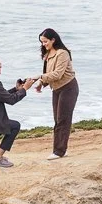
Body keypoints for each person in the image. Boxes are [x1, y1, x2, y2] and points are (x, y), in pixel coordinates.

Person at [30, 28, 78, 159]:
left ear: (53, 40)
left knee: (63, 119)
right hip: (56, 89)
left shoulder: (62, 53)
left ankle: (59, 151)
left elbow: (58, 74)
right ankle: (61, 149)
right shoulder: (47, 54)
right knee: (57, 119)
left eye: (45, 41)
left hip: (68, 87)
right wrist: (42, 84)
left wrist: (39, 77)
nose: (43, 44)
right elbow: (48, 73)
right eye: (42, 42)